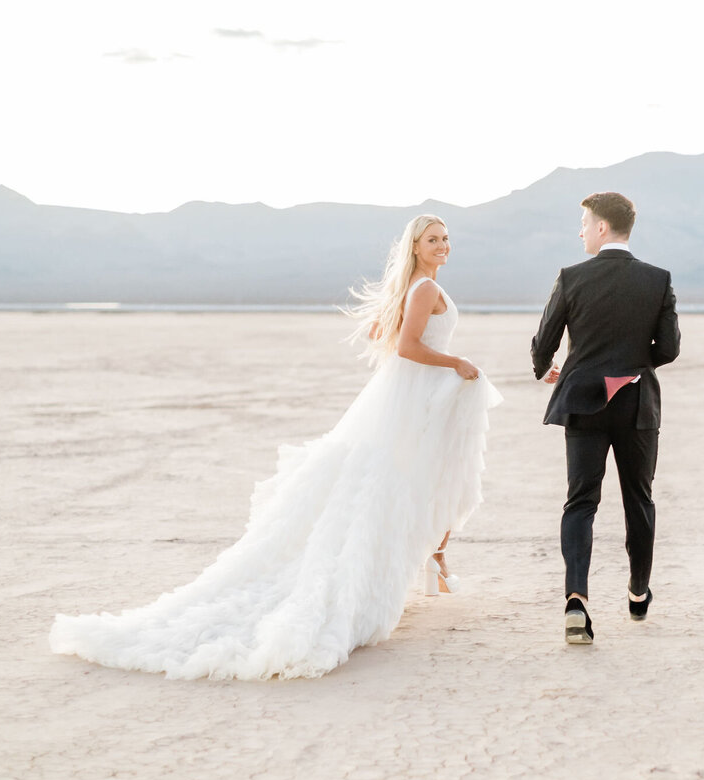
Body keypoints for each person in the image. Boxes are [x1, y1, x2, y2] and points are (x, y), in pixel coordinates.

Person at [50, 214, 501, 679]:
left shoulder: (418, 288)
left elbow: (387, 335)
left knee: (425, 478)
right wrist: (456, 361)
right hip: (414, 396)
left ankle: (436, 562)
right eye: (433, 239)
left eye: (446, 238)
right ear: (415, 247)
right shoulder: (424, 290)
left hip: (416, 396)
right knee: (408, 481)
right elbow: (407, 347)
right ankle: (427, 566)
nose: (443, 245)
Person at [531, 192, 680, 645]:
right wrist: (633, 366)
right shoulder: (658, 279)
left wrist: (546, 369)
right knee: (639, 500)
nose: (580, 231)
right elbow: (669, 349)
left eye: (583, 222)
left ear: (601, 228)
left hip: (582, 400)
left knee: (580, 503)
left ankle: (576, 600)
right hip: (637, 407)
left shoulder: (571, 277)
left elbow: (545, 341)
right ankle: (638, 592)